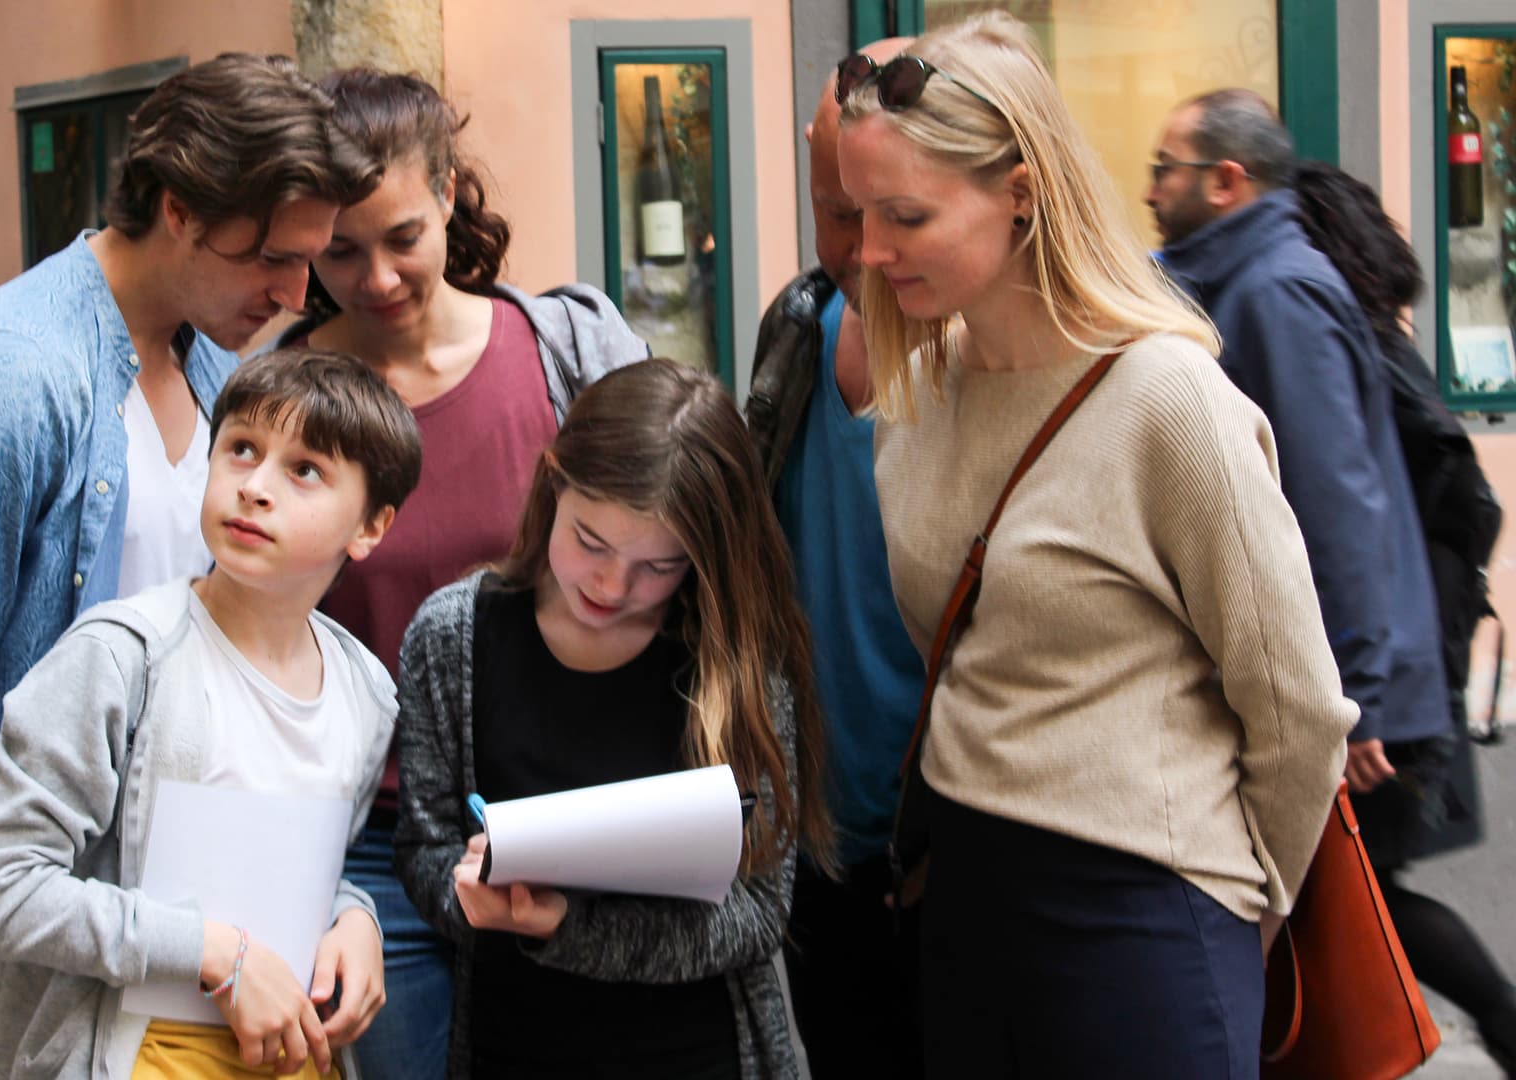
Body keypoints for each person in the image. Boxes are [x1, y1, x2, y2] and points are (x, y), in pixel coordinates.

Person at [0, 54, 376, 1077]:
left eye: (310, 260)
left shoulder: (216, 361)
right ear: (178, 208)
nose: (294, 293)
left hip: (143, 937)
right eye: (270, 257)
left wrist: (342, 907)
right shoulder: (1, 378)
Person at [835, 14, 1357, 1075]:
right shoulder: (919, 393)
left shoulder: (1168, 401)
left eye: (905, 216)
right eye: (858, 214)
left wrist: (1243, 909)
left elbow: (1297, 709)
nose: (870, 253)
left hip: (1143, 918)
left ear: (1021, 191)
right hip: (968, 905)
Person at [273, 68, 649, 1080]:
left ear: (446, 192)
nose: (377, 279)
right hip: (370, 849)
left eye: (402, 237)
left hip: (559, 822)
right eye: (340, 252)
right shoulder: (279, 393)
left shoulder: (566, 353)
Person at [0, 348, 419, 1078]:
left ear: (370, 526)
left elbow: (291, 873)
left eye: (305, 470)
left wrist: (352, 916)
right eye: (241, 449)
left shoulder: (365, 693)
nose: (255, 487)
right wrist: (211, 953)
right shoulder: (120, 659)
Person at [394, 358, 833, 1079]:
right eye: (590, 541)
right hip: (513, 1048)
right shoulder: (451, 638)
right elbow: (423, 850)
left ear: (704, 557)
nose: (610, 584)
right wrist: (470, 895)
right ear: (552, 483)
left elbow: (757, 915)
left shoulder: (735, 660)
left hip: (702, 1055)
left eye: (658, 566)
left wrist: (570, 928)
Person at [1149, 90, 1452, 810]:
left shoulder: (1278, 292)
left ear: (1226, 180)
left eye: (1165, 169)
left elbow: (1334, 504)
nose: (1150, 190)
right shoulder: (1237, 283)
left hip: (1344, 712)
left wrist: (1355, 699)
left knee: (1355, 884)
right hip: (1318, 690)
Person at [1289, 160, 1516, 1072]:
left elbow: (1426, 518)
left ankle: (1499, 1022)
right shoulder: (1372, 341)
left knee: (1364, 887)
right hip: (1402, 669)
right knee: (1362, 884)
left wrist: (1381, 687)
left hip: (1388, 680)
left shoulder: (1353, 352)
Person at [744, 36, 926, 1078]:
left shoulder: (1007, 369)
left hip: (958, 855)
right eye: (834, 211)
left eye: (894, 214)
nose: (861, 249)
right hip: (816, 841)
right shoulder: (796, 325)